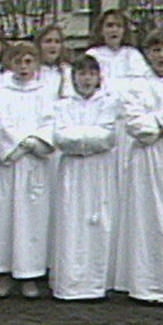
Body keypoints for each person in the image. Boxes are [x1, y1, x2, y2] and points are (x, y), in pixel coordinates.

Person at [114, 28, 163, 304]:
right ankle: (143, 284)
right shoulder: (135, 85)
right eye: (156, 50)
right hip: (146, 160)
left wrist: (155, 120)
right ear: (147, 54)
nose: (161, 56)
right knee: (145, 220)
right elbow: (135, 123)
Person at [0, 43, 56, 299]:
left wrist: (34, 143)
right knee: (4, 219)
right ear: (10, 63)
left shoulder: (45, 92)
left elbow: (50, 121)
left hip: (35, 163)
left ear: (36, 64)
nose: (23, 67)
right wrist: (16, 145)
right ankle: (3, 275)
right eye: (18, 62)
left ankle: (30, 275)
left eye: (28, 61)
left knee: (32, 220)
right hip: (8, 163)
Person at [51, 55, 123, 300]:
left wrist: (78, 137)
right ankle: (71, 284)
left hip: (99, 169)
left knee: (100, 221)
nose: (86, 79)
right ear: (73, 78)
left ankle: (97, 282)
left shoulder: (109, 104)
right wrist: (87, 139)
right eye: (81, 74)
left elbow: (108, 137)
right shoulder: (62, 105)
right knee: (71, 222)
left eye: (91, 74)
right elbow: (60, 137)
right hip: (73, 170)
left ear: (99, 77)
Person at [86, 9, 150, 99]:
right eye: (109, 26)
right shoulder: (92, 55)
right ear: (101, 30)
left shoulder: (133, 55)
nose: (114, 30)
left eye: (119, 26)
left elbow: (142, 83)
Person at [34, 24, 72, 99]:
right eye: (48, 41)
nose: (53, 46)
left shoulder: (68, 71)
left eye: (57, 42)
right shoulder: (31, 72)